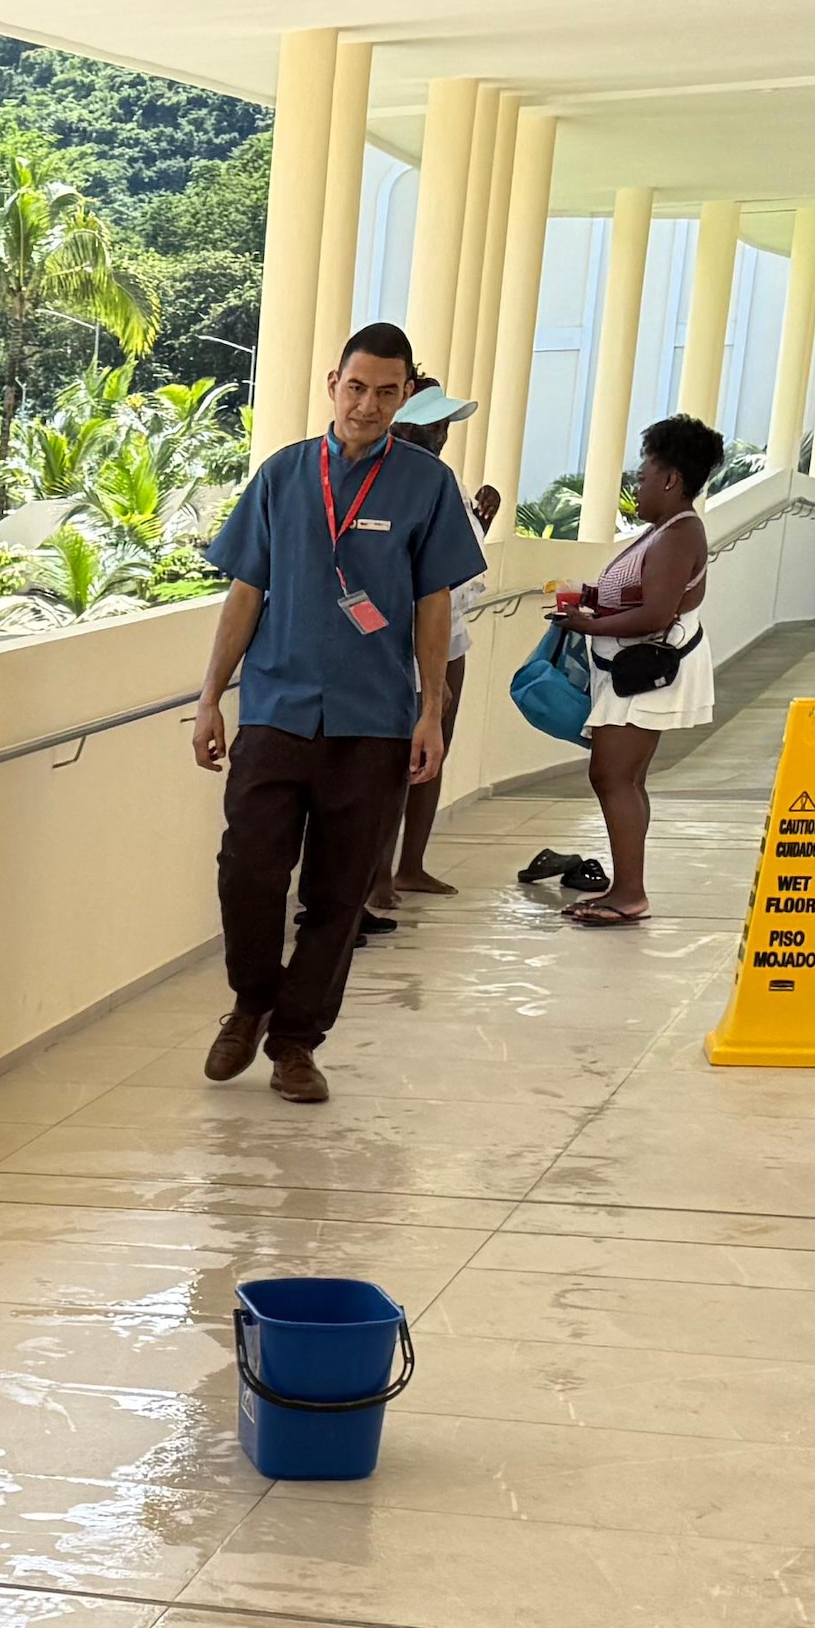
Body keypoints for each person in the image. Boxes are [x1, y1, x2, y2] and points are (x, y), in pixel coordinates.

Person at [191, 319, 490, 1100]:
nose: (367, 405)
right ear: (333, 384)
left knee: (339, 892)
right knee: (247, 872)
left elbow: (433, 603)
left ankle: (296, 1042)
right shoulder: (284, 475)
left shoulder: (426, 486)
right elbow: (245, 592)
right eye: (356, 387)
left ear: (406, 396)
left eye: (386, 393)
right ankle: (251, 1001)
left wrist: (432, 711)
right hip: (277, 708)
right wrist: (210, 698)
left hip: (374, 720)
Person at [543, 412, 719, 925]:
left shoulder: (679, 534)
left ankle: (629, 894)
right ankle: (626, 886)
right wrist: (590, 597)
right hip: (631, 671)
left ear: (671, 480)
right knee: (625, 778)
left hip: (643, 673)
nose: (636, 487)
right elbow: (639, 594)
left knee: (612, 775)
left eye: (643, 476)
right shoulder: (662, 531)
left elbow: (656, 614)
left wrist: (587, 624)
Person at [365, 381, 492, 925]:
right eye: (431, 424)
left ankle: (410, 864)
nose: (441, 434)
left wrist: (482, 522)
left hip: (451, 633)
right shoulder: (381, 478)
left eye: (443, 425)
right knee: (391, 763)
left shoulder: (443, 480)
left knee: (431, 754)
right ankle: (376, 875)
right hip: (402, 639)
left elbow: (460, 562)